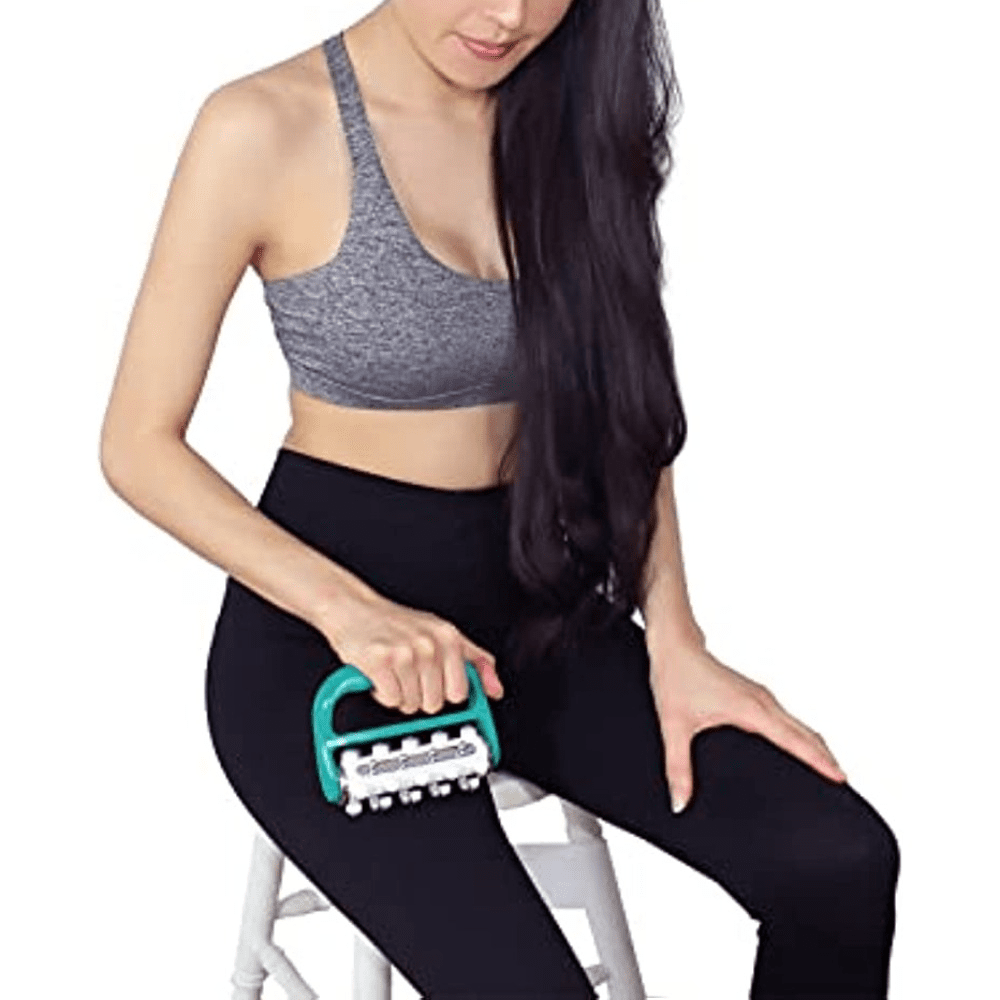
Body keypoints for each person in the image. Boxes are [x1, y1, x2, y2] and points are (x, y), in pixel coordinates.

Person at [99, 1, 900, 996]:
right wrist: (351, 612)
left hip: (540, 617)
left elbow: (627, 405)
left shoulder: (572, 111)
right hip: (326, 649)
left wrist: (676, 639)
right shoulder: (263, 125)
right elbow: (138, 445)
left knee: (838, 863)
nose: (510, 15)